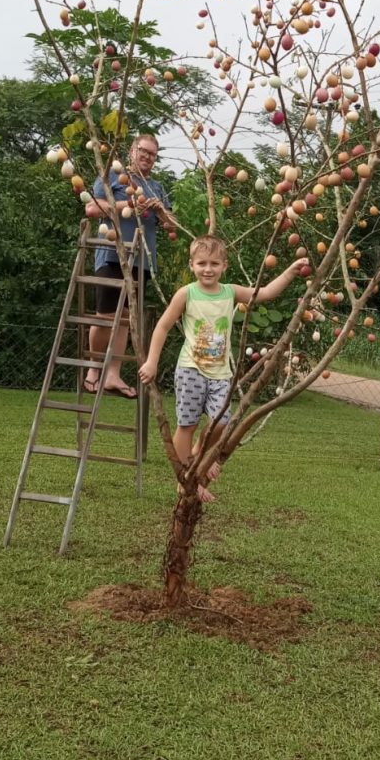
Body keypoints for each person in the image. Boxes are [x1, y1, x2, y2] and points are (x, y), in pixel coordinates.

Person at [139, 234, 308, 501]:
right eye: (202, 263)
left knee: (222, 422)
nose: (208, 269)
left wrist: (289, 272)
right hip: (191, 370)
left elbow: (263, 294)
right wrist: (152, 361)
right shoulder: (187, 293)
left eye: (214, 263)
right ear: (192, 265)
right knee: (187, 424)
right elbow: (162, 326)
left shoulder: (230, 292)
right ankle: (185, 480)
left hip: (221, 374)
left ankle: (201, 455)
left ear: (224, 266)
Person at [85, 134, 176, 398]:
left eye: (152, 155)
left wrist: (160, 212)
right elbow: (92, 209)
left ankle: (113, 375)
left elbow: (172, 225)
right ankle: (93, 369)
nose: (147, 157)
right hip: (113, 254)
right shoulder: (113, 175)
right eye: (143, 152)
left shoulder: (156, 187)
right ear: (132, 151)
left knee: (127, 320)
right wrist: (130, 204)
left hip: (142, 260)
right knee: (104, 315)